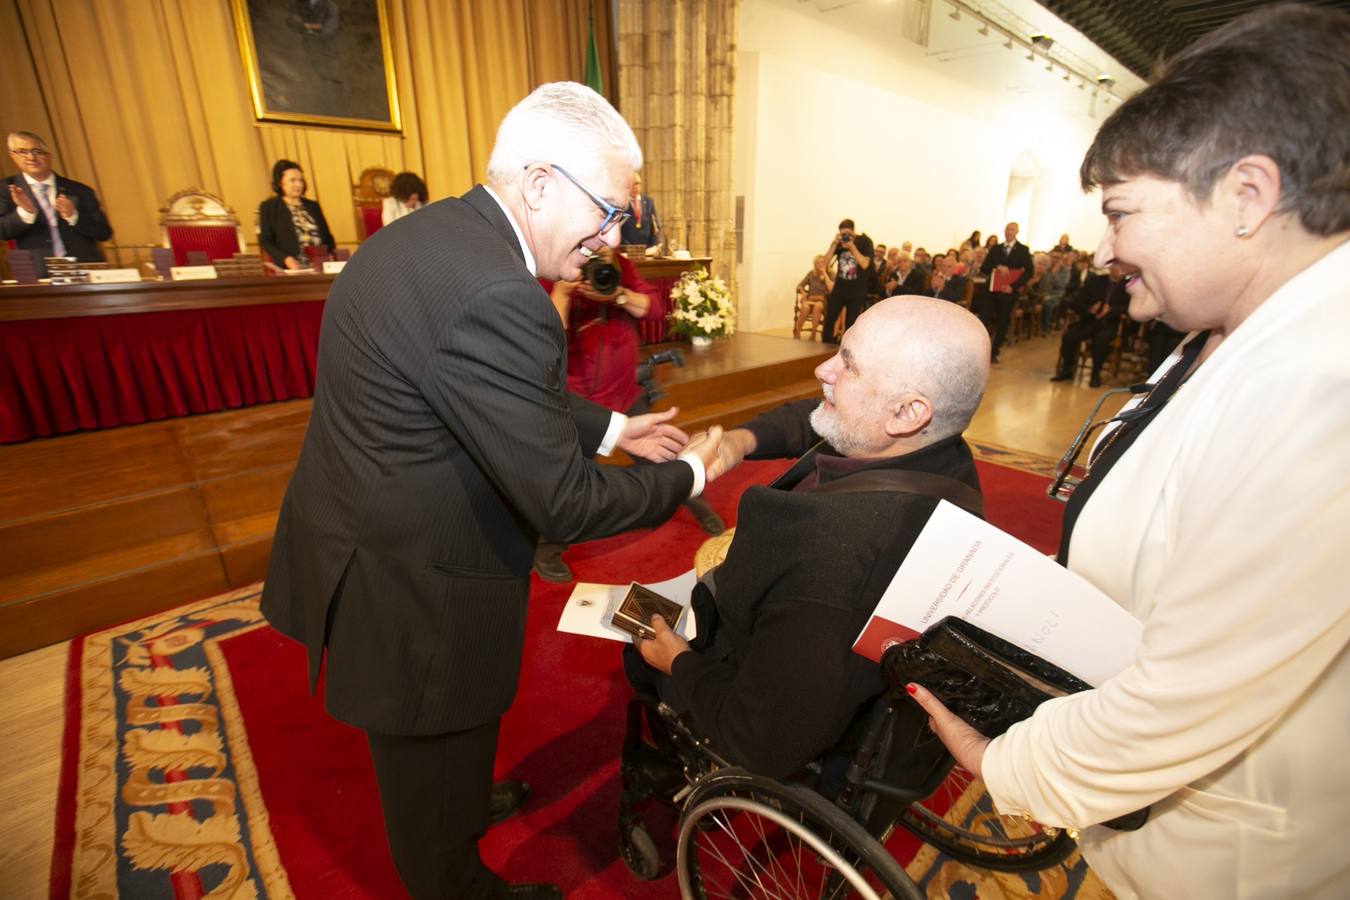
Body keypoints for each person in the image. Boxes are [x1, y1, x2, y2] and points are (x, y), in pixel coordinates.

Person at [908, 7, 1350, 899]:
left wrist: (1008, 764)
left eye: (1121, 211)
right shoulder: (1227, 330)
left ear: (1247, 196)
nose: (1104, 249)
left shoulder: (1322, 384)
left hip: (1229, 852)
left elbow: (1192, 697)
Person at [260, 82, 725, 900]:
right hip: (413, 583)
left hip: (367, 539)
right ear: (541, 183)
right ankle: (455, 872)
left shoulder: (436, 235)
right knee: (428, 748)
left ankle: (459, 798)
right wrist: (688, 474)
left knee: (445, 741)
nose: (614, 241)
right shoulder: (500, 293)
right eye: (610, 213)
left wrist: (615, 431)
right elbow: (567, 505)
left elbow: (478, 379)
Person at [627, 296, 990, 777]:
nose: (824, 369)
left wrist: (678, 663)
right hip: (837, 660)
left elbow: (761, 741)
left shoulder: (831, 556)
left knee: (634, 653)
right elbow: (820, 416)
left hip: (755, 685)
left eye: (849, 365)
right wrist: (743, 440)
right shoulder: (944, 457)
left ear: (907, 412)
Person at [532, 245, 725, 584]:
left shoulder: (620, 266)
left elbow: (655, 310)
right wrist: (563, 293)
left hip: (625, 393)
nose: (605, 248)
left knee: (664, 456)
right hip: (579, 407)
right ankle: (547, 547)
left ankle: (693, 497)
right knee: (565, 482)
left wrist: (618, 294)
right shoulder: (554, 271)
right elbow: (544, 345)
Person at [1, 131, 112, 277]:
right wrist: (25, 213)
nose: (31, 157)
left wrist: (74, 216)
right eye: (22, 152)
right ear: (13, 156)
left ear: (49, 155)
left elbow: (104, 233)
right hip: (36, 274)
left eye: (37, 151)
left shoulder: (79, 190)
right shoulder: (6, 189)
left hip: (84, 271)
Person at [1049, 264, 1127, 386]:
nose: (1121, 271)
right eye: (1118, 267)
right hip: (1089, 320)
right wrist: (1089, 309)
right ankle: (1066, 370)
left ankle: (1095, 374)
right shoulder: (1096, 281)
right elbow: (1079, 301)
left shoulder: (1128, 286)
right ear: (1111, 268)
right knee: (1069, 336)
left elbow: (1128, 308)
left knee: (1101, 340)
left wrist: (1111, 310)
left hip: (1109, 323)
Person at [257, 159, 336, 269]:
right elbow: (266, 241)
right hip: (290, 268)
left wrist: (331, 256)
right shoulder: (269, 207)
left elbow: (328, 238)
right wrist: (286, 259)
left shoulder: (313, 206)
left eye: (301, 180)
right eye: (292, 180)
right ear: (280, 182)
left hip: (321, 266)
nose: (298, 184)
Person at [977, 221, 1033, 362]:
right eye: (1007, 230)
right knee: (984, 318)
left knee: (1002, 322)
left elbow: (1029, 272)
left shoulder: (1023, 250)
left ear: (1017, 232)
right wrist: (997, 266)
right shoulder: (996, 249)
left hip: (1008, 293)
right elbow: (984, 267)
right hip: (991, 291)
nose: (1009, 232)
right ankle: (979, 349)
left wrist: (1013, 287)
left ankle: (994, 351)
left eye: (1012, 230)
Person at [821, 218, 874, 343]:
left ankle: (847, 347)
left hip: (857, 290)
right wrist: (834, 245)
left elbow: (865, 264)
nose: (846, 237)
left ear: (854, 231)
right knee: (829, 319)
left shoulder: (865, 242)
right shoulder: (838, 244)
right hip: (839, 288)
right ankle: (826, 346)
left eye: (848, 234)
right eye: (843, 234)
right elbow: (824, 264)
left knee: (851, 323)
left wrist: (852, 247)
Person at [794, 253, 833, 339]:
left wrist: (824, 274)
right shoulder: (812, 274)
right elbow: (799, 286)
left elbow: (831, 289)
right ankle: (798, 330)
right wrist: (803, 292)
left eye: (822, 262)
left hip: (823, 301)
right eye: (817, 263)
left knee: (818, 306)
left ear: (826, 263)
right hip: (810, 299)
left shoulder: (831, 274)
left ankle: (814, 332)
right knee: (805, 306)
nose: (820, 265)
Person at [617, 172, 659, 247]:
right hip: (626, 249)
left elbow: (655, 225)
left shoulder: (649, 202)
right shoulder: (621, 203)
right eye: (632, 184)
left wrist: (651, 245)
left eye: (637, 183)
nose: (635, 187)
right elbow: (617, 227)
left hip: (647, 249)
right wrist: (628, 246)